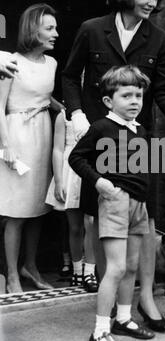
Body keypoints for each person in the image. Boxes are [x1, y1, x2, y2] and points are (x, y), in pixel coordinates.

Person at [62, 0, 165, 331]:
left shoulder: (160, 39)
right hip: (100, 136)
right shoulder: (91, 29)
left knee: (145, 221)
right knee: (101, 221)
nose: (151, 2)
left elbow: (163, 91)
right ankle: (115, 308)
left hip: (141, 139)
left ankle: (146, 299)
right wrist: (76, 114)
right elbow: (70, 77)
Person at [69, 65, 155, 341]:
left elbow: (144, 168)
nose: (135, 101)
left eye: (139, 95)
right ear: (109, 101)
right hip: (115, 202)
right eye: (126, 95)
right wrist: (100, 182)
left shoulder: (140, 130)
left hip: (137, 206)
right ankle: (99, 332)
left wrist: (143, 199)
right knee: (116, 268)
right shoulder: (102, 127)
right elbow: (76, 158)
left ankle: (123, 318)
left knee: (131, 267)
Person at [0, 3, 59, 293]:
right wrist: (6, 144)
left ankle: (30, 266)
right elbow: (0, 105)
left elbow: (46, 98)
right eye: (49, 28)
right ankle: (11, 273)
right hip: (17, 136)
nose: (56, 34)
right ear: (32, 30)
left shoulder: (52, 64)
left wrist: (67, 110)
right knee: (16, 210)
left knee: (38, 207)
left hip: (43, 135)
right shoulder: (11, 61)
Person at [46, 109, 98, 292]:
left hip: (91, 169)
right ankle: (77, 270)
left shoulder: (98, 109)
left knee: (91, 223)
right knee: (75, 226)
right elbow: (57, 149)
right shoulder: (64, 114)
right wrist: (59, 179)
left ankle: (89, 272)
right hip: (70, 171)